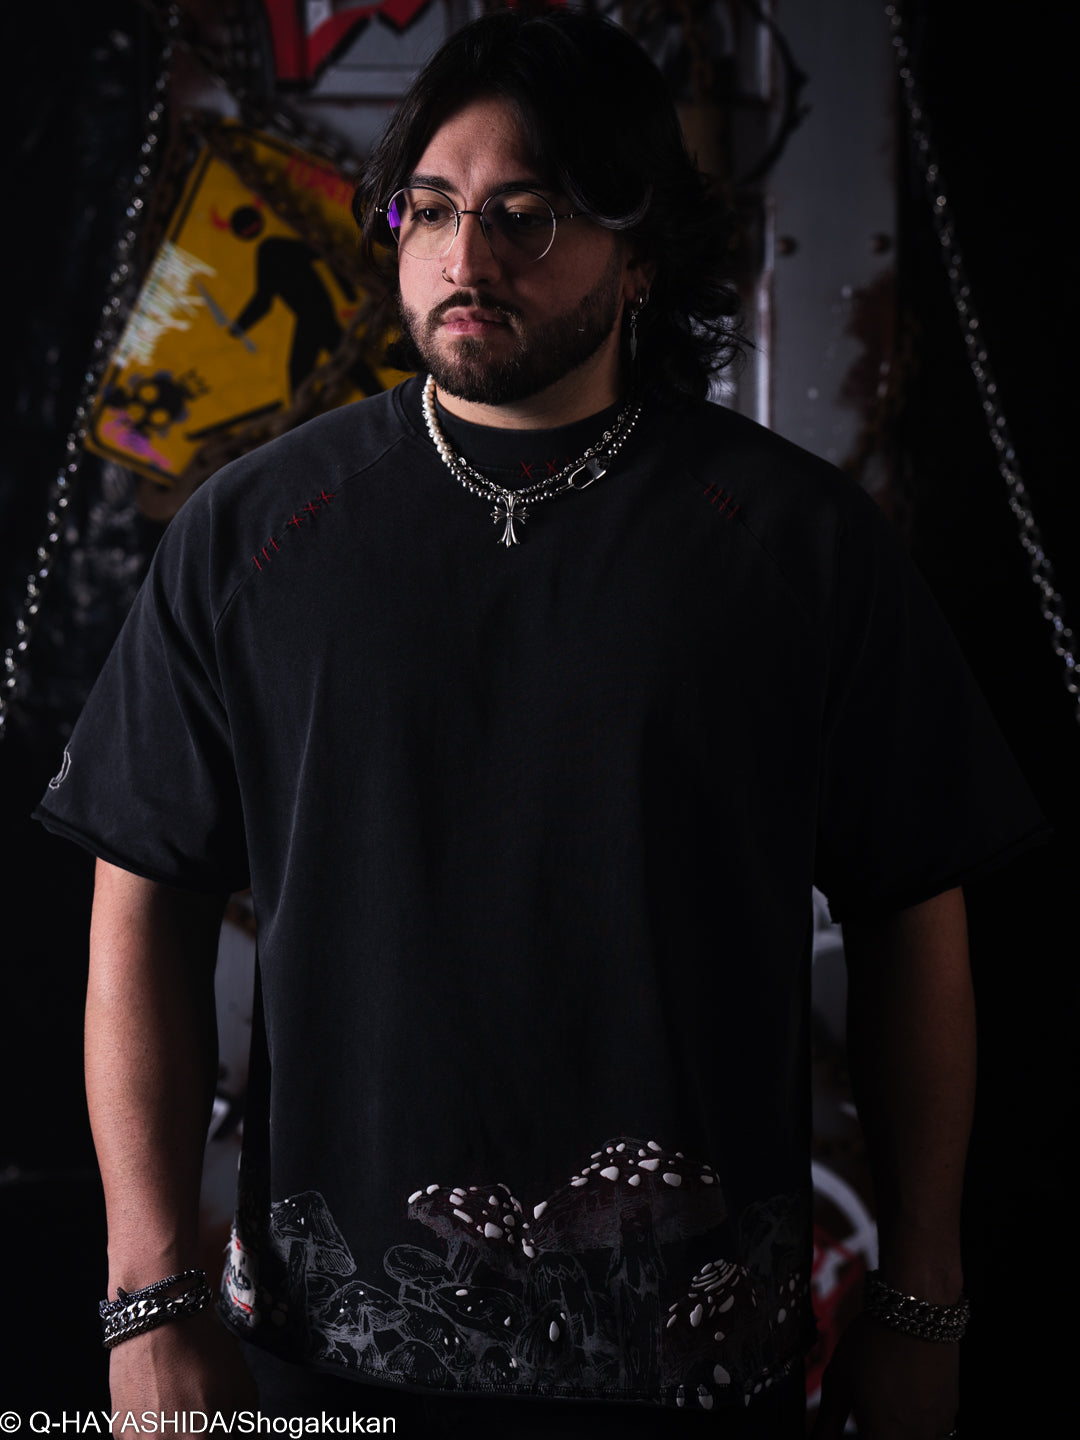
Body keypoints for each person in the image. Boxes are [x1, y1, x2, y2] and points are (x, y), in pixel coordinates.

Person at [37, 8, 1044, 1437]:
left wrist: (921, 1299)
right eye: (432, 209)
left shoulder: (794, 545)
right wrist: (148, 1299)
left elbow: (915, 914)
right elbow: (141, 906)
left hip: (696, 1365)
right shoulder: (254, 535)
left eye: (527, 214)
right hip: (332, 1353)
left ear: (641, 255)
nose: (466, 257)